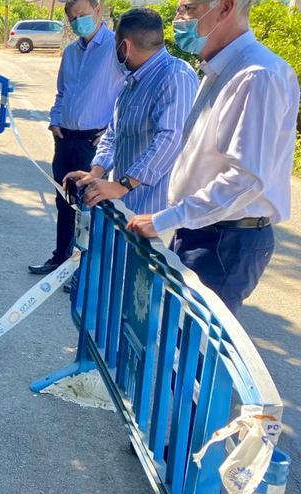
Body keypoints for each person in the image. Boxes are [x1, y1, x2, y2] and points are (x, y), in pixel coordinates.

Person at [127, 0, 300, 313]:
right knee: (174, 337)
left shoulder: (256, 75)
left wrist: (165, 218)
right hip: (203, 229)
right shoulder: (219, 70)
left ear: (225, 8)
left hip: (226, 239)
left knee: (191, 350)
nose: (179, 20)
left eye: (189, 9)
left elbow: (245, 178)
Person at [64, 9, 198, 225]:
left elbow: (171, 139)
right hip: (126, 207)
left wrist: (122, 185)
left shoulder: (175, 76)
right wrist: (96, 173)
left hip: (155, 215)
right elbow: (113, 134)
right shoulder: (133, 82)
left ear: (124, 47)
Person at [28, 0, 126, 275]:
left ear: (98, 10)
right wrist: (55, 121)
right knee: (64, 200)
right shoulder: (71, 52)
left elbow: (128, 92)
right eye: (73, 18)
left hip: (93, 143)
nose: (78, 22)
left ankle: (84, 270)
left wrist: (111, 132)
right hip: (65, 138)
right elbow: (62, 92)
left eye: (82, 15)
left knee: (90, 206)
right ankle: (60, 259)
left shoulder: (116, 48)